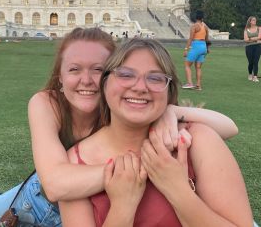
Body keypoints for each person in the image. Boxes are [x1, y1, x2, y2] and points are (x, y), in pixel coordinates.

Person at [0, 28, 239, 227]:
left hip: (82, 194)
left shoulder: (132, 107)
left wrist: (170, 110)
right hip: (44, 196)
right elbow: (55, 184)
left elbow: (227, 128)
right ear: (60, 78)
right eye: (74, 70)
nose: (87, 81)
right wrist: (142, 169)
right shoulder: (47, 103)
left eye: (99, 70)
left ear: (109, 77)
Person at [59, 38, 253, 226]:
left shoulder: (197, 141)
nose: (140, 87)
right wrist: (122, 207)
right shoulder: (74, 164)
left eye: (155, 78)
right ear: (105, 83)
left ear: (169, 91)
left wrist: (178, 190)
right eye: (126, 74)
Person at [182, 10, 209, 91]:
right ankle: (198, 85)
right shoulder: (205, 27)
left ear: (195, 17)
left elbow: (191, 38)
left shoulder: (194, 26)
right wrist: (207, 49)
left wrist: (186, 49)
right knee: (198, 67)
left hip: (196, 46)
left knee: (187, 65)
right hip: (203, 46)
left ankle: (189, 83)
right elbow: (207, 39)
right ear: (202, 18)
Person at [243, 16, 261, 82]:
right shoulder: (246, 29)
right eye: (253, 20)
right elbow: (245, 40)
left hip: (258, 46)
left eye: (255, 20)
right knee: (250, 62)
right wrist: (254, 39)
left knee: (256, 62)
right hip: (249, 47)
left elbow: (259, 37)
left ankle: (255, 77)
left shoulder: (259, 28)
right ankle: (250, 74)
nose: (255, 21)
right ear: (250, 21)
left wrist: (250, 39)